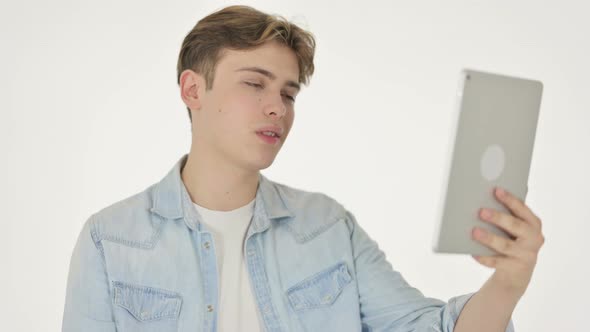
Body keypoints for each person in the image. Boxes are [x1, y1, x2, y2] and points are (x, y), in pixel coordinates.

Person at [62, 5, 544, 332]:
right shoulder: (111, 240)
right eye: (255, 84)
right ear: (193, 90)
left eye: (288, 93)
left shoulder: (327, 228)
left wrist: (508, 282)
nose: (278, 108)